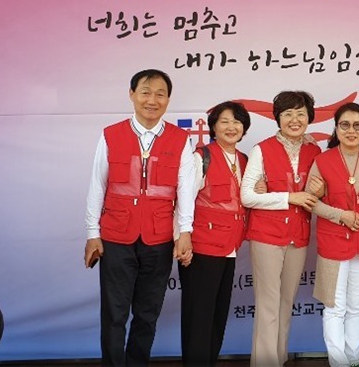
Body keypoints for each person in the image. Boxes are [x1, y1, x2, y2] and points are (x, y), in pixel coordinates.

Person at [83, 69, 196, 366]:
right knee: (114, 313)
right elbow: (97, 185)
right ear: (132, 94)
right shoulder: (111, 134)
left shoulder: (180, 139)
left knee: (147, 313)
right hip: (116, 236)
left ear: (168, 99)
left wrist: (185, 232)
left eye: (160, 94)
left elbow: (185, 189)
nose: (152, 100)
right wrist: (92, 233)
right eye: (145, 92)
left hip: (158, 238)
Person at [240, 90, 321, 367]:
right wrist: (288, 197)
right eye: (287, 114)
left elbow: (316, 193)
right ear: (278, 118)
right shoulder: (261, 149)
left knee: (286, 303)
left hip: (298, 236)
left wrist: (318, 192)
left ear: (309, 117)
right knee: (268, 304)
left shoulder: (314, 151)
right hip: (266, 236)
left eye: (300, 113)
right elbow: (247, 196)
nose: (294, 120)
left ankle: (280, 358)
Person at [307, 103, 359, 367]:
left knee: (356, 307)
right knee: (334, 307)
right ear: (336, 129)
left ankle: (353, 359)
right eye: (345, 125)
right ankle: (338, 362)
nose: (351, 131)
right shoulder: (322, 160)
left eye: (357, 125)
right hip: (333, 243)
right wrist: (341, 215)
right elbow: (310, 201)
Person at [177, 101, 251, 366]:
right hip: (201, 248)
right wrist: (183, 238)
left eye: (237, 122)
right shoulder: (201, 157)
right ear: (213, 127)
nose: (231, 127)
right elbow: (183, 199)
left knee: (218, 315)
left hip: (229, 247)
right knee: (199, 316)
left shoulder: (244, 160)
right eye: (225, 121)